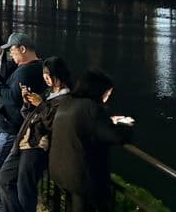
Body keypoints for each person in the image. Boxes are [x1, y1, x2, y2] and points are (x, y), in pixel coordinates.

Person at [0, 57, 72, 212]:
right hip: (23, 141)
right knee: (4, 178)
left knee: (25, 188)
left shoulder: (67, 99)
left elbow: (55, 123)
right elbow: (29, 116)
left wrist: (41, 105)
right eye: (44, 74)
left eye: (49, 74)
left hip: (37, 146)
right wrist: (27, 103)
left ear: (59, 75)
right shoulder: (47, 93)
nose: (46, 78)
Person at [49, 70, 131, 212]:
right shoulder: (91, 107)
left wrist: (107, 120)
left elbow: (85, 124)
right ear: (98, 91)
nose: (107, 97)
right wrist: (126, 124)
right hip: (79, 177)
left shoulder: (67, 102)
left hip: (60, 170)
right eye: (107, 93)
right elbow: (116, 136)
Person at [0, 33, 45, 209]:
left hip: (12, 129)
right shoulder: (35, 68)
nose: (11, 55)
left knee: (1, 172)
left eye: (12, 50)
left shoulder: (26, 71)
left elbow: (12, 98)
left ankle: (4, 207)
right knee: (8, 176)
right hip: (18, 129)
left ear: (23, 49)